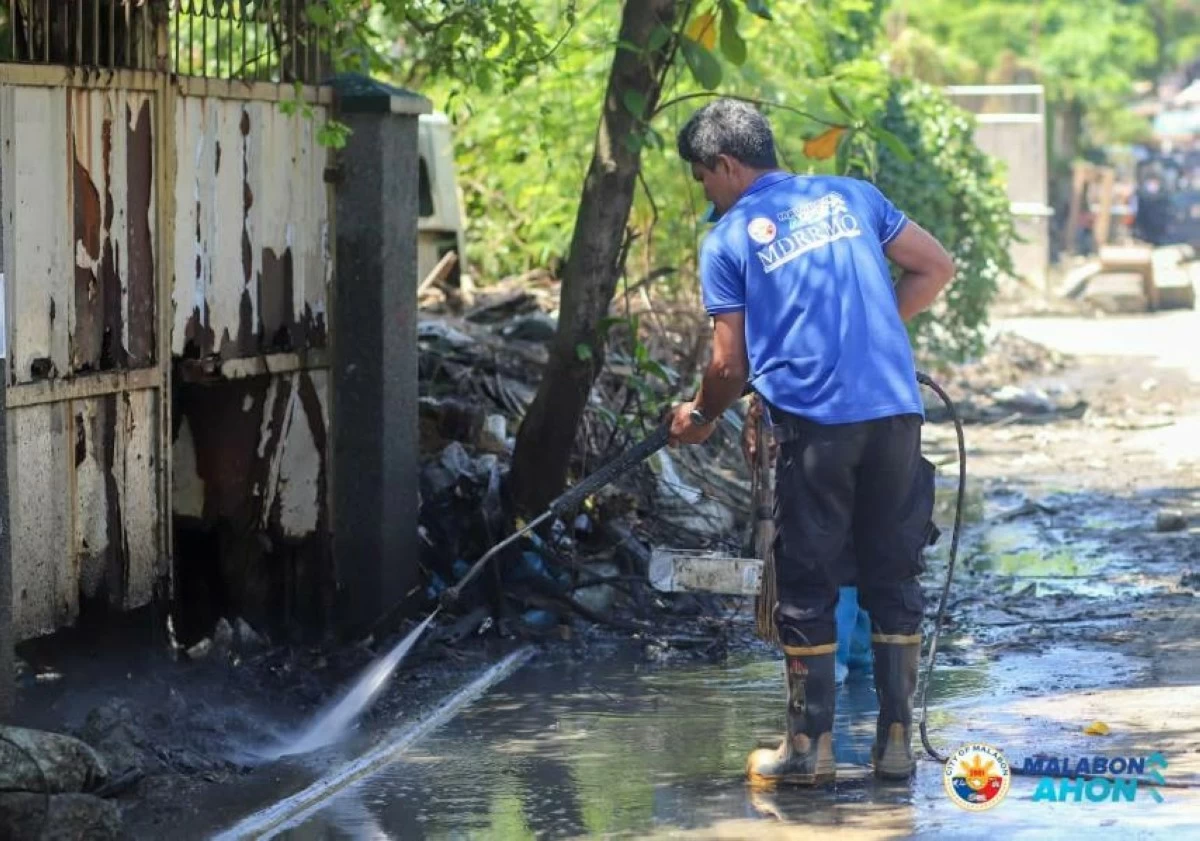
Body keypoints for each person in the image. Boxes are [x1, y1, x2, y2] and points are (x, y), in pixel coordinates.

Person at [667, 99, 955, 787]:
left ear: (726, 164)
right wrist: (871, 330)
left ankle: (809, 749)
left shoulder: (730, 239)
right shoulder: (852, 195)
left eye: (703, 178)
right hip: (894, 409)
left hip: (815, 420)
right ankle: (893, 745)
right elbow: (935, 267)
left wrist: (701, 416)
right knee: (893, 571)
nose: (706, 193)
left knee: (806, 578)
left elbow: (728, 365)